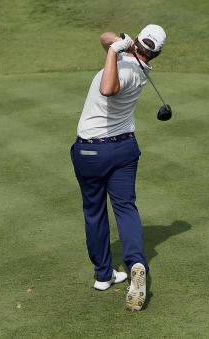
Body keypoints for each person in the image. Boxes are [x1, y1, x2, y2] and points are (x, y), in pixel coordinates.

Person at [70, 25, 168, 312]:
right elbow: (103, 38)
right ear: (157, 54)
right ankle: (135, 264)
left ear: (137, 41)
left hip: (91, 151)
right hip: (124, 148)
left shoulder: (125, 70)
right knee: (125, 207)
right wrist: (118, 44)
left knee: (94, 210)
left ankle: (103, 274)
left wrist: (117, 48)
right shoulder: (138, 64)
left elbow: (107, 88)